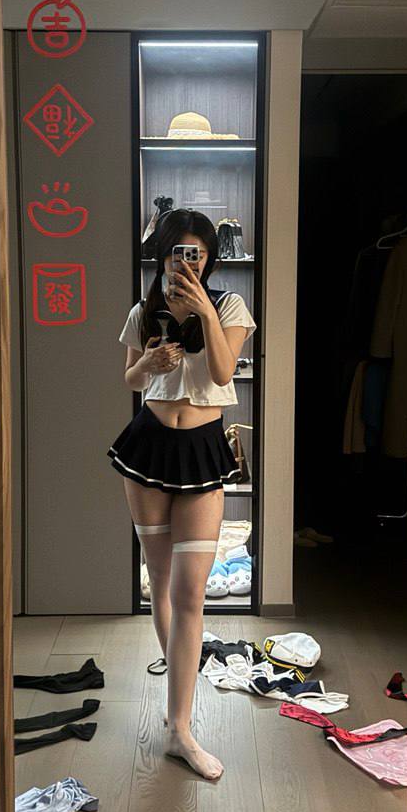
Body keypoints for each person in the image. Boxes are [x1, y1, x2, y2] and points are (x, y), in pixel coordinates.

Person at [107, 209, 256, 780]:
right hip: (147, 447)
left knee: (191, 591)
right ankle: (177, 720)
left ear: (210, 259)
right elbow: (131, 380)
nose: (187, 263)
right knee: (161, 580)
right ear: (162, 256)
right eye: (177, 253)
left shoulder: (230, 307)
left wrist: (204, 314)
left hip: (201, 449)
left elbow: (221, 372)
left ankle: (183, 727)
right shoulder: (143, 312)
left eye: (197, 254)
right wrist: (146, 361)